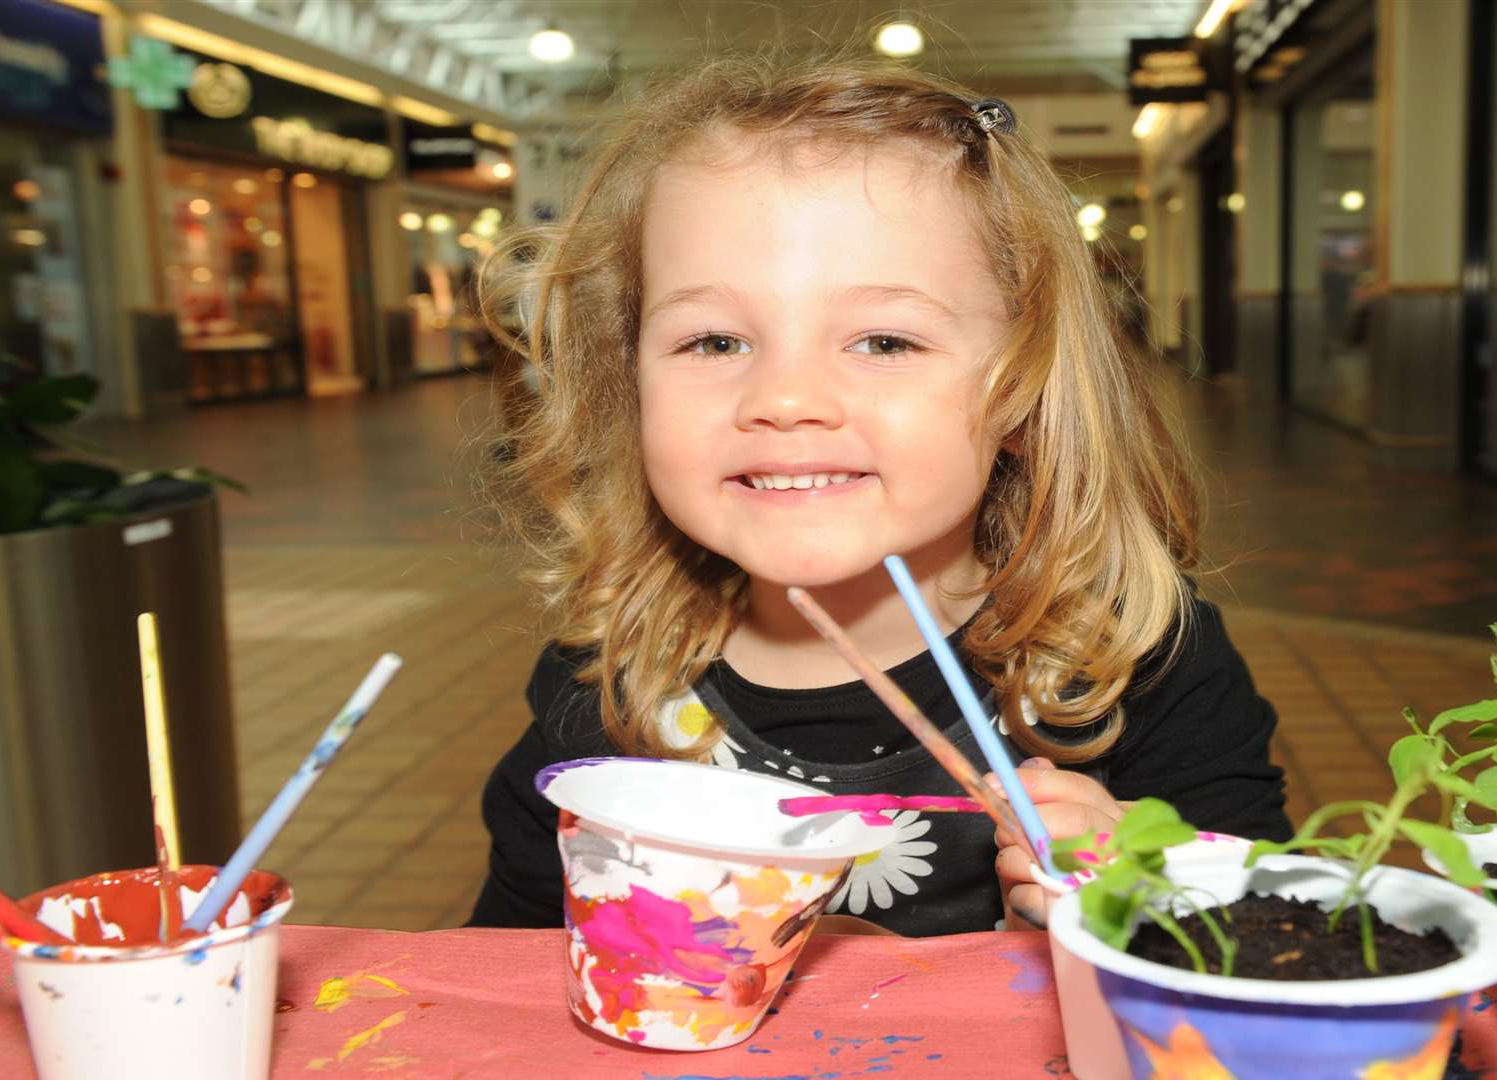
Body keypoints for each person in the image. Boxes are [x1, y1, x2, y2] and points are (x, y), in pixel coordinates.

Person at [466, 54, 1290, 937]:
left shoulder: (1135, 664)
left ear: (1022, 392)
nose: (784, 401)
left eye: (885, 342)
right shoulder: (606, 686)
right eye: (713, 343)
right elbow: (496, 984)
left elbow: (1287, 964)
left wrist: (1162, 884)